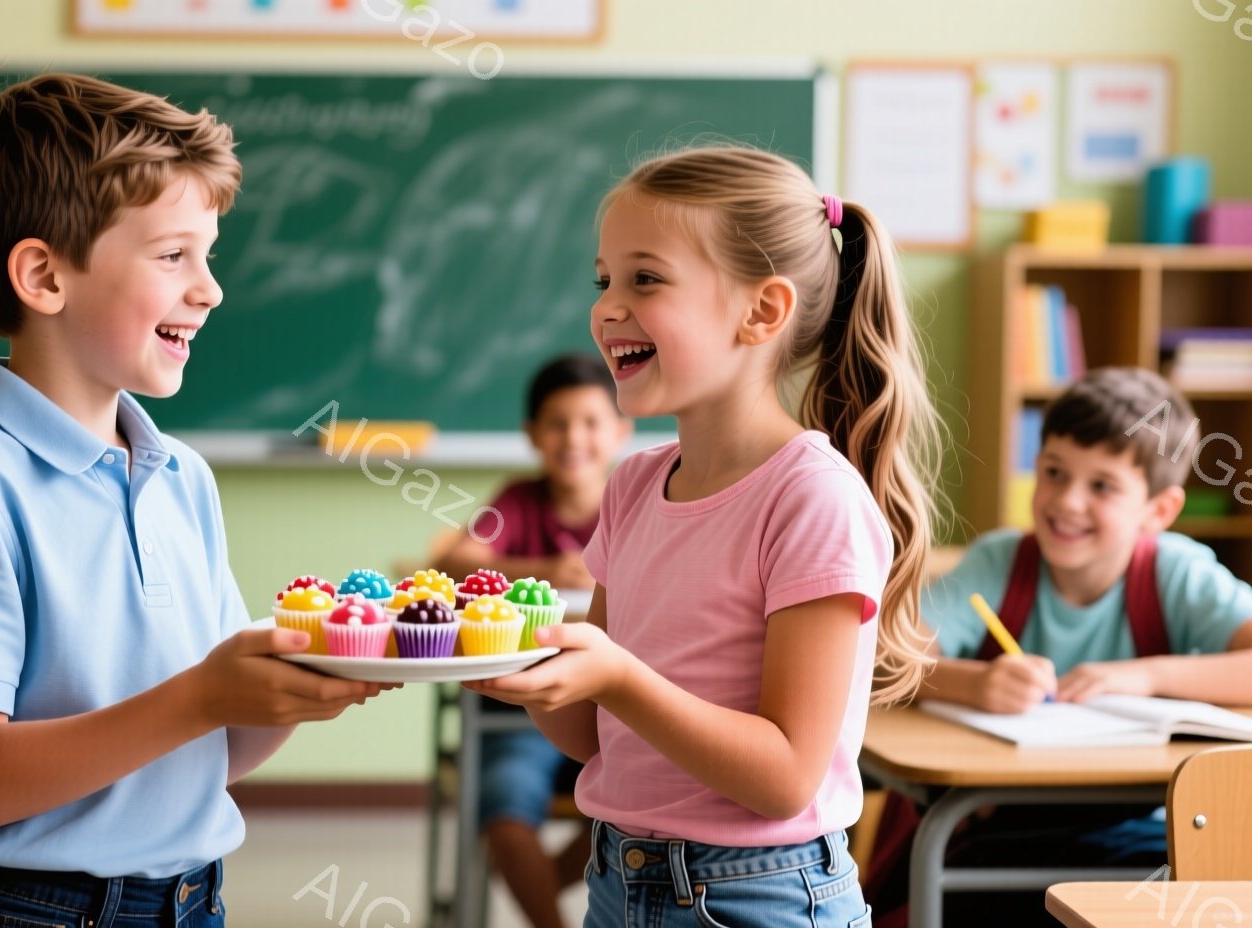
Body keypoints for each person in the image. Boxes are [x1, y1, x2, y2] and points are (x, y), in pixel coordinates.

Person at [0, 73, 386, 928]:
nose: (211, 288)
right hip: (26, 911)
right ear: (43, 275)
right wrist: (199, 697)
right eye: (173, 255)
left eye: (208, 255)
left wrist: (310, 678)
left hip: (189, 901)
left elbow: (211, 752)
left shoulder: (181, 476)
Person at [469, 147, 946, 928]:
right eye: (604, 281)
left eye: (645, 279)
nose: (607, 308)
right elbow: (595, 736)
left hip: (761, 895)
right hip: (619, 878)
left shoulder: (811, 498)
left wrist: (617, 677)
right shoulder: (631, 485)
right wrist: (504, 657)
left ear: (762, 312)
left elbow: (786, 776)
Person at [877, 367, 1252, 926]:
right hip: (994, 826)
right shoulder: (999, 561)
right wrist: (975, 684)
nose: (1067, 502)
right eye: (1053, 473)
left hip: (1142, 832)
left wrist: (1144, 676)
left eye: (1102, 486)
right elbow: (889, 660)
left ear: (1160, 511)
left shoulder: (1176, 572)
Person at [439, 352, 631, 928]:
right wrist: (547, 565)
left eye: (592, 422)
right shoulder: (519, 501)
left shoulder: (636, 498)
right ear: (531, 435)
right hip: (520, 715)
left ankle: (536, 886)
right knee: (503, 811)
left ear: (620, 432)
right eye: (556, 422)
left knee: (639, 801)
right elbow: (452, 561)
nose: (574, 437)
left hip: (611, 712)